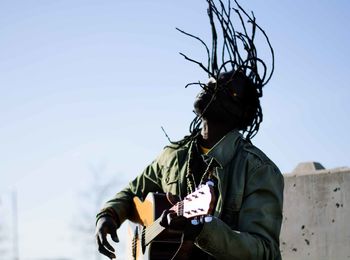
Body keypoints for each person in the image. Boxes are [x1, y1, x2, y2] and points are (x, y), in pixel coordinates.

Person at [95, 1, 284, 259]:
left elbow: (265, 252)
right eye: (213, 80)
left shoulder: (257, 170)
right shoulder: (172, 156)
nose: (211, 84)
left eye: (226, 88)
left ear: (239, 112)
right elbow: (131, 193)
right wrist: (109, 215)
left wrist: (204, 231)